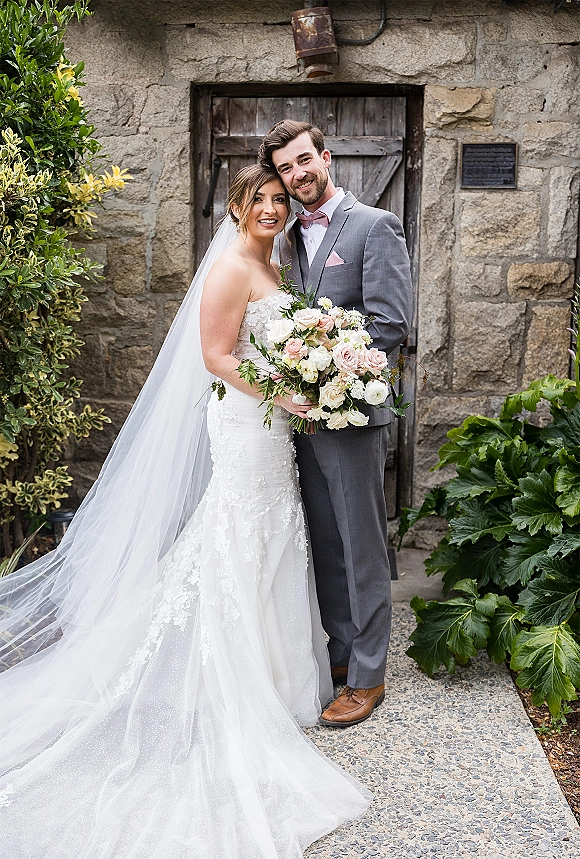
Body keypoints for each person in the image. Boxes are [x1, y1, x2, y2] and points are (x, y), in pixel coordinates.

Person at [0, 165, 370, 858]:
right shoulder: (232, 267)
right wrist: (286, 394)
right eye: (257, 199)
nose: (270, 207)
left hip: (274, 427)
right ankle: (230, 674)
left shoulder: (276, 263)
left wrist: (310, 382)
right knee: (239, 532)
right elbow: (216, 355)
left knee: (273, 534)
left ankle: (278, 675)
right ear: (234, 208)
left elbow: (276, 344)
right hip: (245, 424)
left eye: (278, 199)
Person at [259, 120, 413, 728]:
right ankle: (343, 654)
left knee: (362, 544)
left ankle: (370, 674)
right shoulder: (290, 236)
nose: (298, 175)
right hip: (301, 423)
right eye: (287, 169)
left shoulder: (376, 227)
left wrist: (328, 377)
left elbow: (389, 325)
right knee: (324, 542)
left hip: (351, 412)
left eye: (304, 161)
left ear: (326, 156)